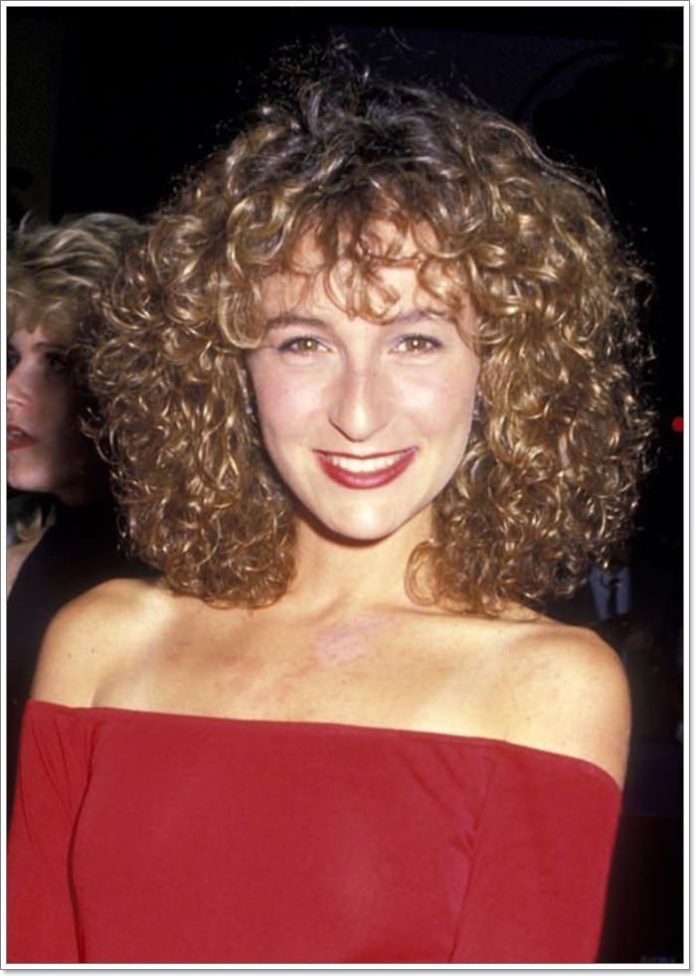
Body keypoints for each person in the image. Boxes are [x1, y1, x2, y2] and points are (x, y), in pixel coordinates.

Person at [8, 68, 652, 964]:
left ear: (503, 368)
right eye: (304, 341)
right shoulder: (103, 643)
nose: (358, 410)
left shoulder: (546, 685)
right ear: (228, 363)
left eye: (416, 340)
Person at [6, 213, 151, 814]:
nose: (11, 390)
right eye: (14, 357)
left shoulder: (190, 574)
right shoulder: (24, 561)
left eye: (57, 363)